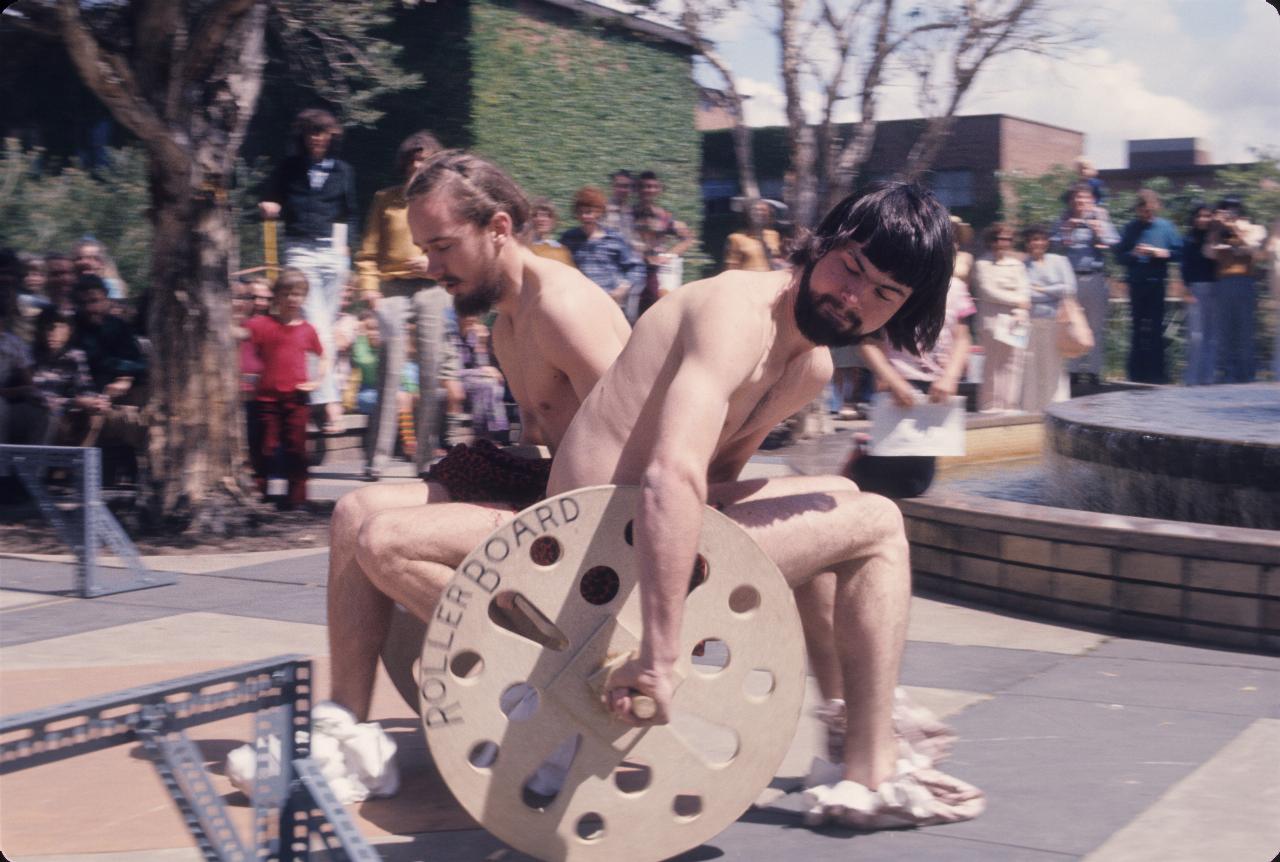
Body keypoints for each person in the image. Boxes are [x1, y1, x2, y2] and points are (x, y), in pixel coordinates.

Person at [548, 181, 982, 829]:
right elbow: (673, 478)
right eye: (850, 268)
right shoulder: (736, 313)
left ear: (900, 310)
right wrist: (660, 658)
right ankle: (871, 768)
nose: (852, 298)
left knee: (837, 499)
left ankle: (842, 725)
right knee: (878, 522)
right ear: (824, 243)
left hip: (627, 535)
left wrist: (822, 515)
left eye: (882, 295)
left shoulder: (808, 370)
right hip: (589, 555)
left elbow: (717, 488)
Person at [318, 150, 630, 800]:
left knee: (388, 543)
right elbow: (547, 436)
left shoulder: (562, 309)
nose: (428, 268)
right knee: (353, 515)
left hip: (593, 517)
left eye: (441, 248)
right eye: (424, 250)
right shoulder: (507, 317)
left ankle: (553, 689)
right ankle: (348, 735)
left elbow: (642, 438)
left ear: (497, 228)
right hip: (547, 487)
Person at [354, 130, 457, 478]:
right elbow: (367, 254)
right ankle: (376, 459)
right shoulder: (386, 200)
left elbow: (455, 248)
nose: (418, 165)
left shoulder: (445, 204)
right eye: (413, 159)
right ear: (405, 163)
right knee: (390, 371)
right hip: (393, 289)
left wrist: (434, 266)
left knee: (430, 371)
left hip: (432, 288)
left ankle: (425, 458)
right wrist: (370, 290)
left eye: (425, 159)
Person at [259, 108, 358, 435]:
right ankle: (329, 403)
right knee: (315, 321)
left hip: (333, 251)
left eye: (322, 133)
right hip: (300, 248)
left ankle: (316, 393)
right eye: (311, 133)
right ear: (303, 137)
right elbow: (269, 197)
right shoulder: (289, 167)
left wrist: (347, 251)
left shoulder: (343, 170)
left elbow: (349, 213)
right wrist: (269, 206)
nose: (317, 139)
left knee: (324, 327)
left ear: (332, 136)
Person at [848, 261, 975, 498]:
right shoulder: (889, 284)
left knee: (918, 481)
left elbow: (962, 339)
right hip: (896, 385)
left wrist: (951, 376)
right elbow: (867, 342)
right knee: (889, 476)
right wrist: (891, 379)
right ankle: (859, 461)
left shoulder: (955, 289)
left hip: (936, 389)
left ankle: (865, 451)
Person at [243, 269, 327, 509]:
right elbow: (241, 346)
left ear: (305, 297)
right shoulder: (261, 325)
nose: (293, 299)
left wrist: (316, 381)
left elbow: (323, 356)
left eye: (298, 294)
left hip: (296, 398)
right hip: (265, 399)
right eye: (287, 294)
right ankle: (260, 493)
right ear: (276, 297)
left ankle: (297, 498)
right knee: (264, 449)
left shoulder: (307, 329)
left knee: (297, 450)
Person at [1056, 183, 1118, 391]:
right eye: (1076, 198)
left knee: (1095, 327)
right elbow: (1052, 244)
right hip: (1071, 277)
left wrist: (1099, 232)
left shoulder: (1101, 219)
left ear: (1091, 200)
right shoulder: (1064, 220)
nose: (1080, 202)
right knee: (1071, 325)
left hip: (1095, 277)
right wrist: (1067, 231)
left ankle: (1093, 372)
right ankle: (1073, 372)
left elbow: (1114, 242)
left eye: (1084, 198)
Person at [1116, 189, 1181, 384]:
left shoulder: (1166, 227)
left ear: (1157, 207)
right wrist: (1133, 254)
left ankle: (1157, 374)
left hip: (1156, 284)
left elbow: (1179, 253)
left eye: (1151, 211)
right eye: (1144, 211)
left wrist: (1162, 253)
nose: (1148, 215)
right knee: (1137, 329)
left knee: (1156, 329)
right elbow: (1119, 257)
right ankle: (1136, 373)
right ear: (1138, 209)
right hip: (1136, 285)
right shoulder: (1130, 228)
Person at [1204, 196, 1266, 384]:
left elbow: (1254, 250)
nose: (1230, 213)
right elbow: (1209, 253)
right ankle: (1226, 374)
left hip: (1245, 281)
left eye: (1233, 209)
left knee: (1245, 331)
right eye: (1227, 210)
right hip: (1224, 282)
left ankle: (1246, 375)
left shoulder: (1255, 229)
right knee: (1224, 331)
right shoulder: (1219, 230)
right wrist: (1215, 230)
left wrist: (1234, 228)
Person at [973, 223, 1031, 411]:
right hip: (992, 319)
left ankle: (1010, 406)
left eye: (1006, 239)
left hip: (1015, 320)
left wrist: (1021, 308)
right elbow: (988, 291)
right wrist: (1017, 301)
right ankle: (990, 406)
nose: (1002, 242)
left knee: (1014, 364)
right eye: (998, 238)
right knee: (993, 364)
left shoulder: (1017, 265)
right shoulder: (982, 264)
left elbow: (1025, 291)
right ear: (991, 241)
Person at [1021, 225, 1076, 411]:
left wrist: (1041, 289)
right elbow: (1025, 293)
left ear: (1047, 242)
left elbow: (1069, 289)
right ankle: (1034, 409)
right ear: (1027, 243)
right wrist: (1053, 291)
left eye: (1041, 239)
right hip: (1032, 322)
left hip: (1057, 321)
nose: (1038, 243)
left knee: (1056, 366)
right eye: (1033, 239)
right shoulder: (1023, 265)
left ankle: (1059, 407)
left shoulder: (1060, 261)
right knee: (1032, 365)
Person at [559, 185, 641, 309]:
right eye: (581, 212)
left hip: (610, 301)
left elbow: (636, 268)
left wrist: (622, 289)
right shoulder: (568, 238)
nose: (585, 216)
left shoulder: (614, 238)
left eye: (589, 212)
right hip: (579, 301)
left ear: (599, 212)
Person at [631, 170, 694, 320]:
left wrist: (669, 255)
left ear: (659, 189)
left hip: (654, 270)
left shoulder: (664, 216)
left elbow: (688, 238)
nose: (649, 190)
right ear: (638, 189)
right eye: (645, 186)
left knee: (658, 311)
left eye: (653, 186)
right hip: (632, 268)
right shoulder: (629, 214)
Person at [1180, 202, 1218, 386]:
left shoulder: (1215, 239)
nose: (1203, 219)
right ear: (1194, 218)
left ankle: (1208, 378)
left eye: (1207, 216)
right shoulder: (1188, 240)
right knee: (1195, 336)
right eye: (1199, 216)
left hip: (1214, 289)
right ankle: (1191, 379)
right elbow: (1183, 268)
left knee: (1211, 336)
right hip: (1195, 288)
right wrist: (1186, 291)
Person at [723, 199, 783, 272]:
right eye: (756, 210)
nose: (760, 213)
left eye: (764, 210)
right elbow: (731, 270)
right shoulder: (735, 238)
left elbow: (778, 261)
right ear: (747, 214)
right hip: (749, 282)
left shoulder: (774, 235)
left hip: (771, 281)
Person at [528, 198, 575, 267]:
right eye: (535, 215)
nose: (541, 219)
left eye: (548, 215)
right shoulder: (523, 248)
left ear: (554, 220)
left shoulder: (561, 249)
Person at [603, 169, 638, 249]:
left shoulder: (633, 212)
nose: (622, 190)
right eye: (618, 186)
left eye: (626, 186)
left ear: (631, 189)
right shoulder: (602, 209)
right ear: (612, 186)